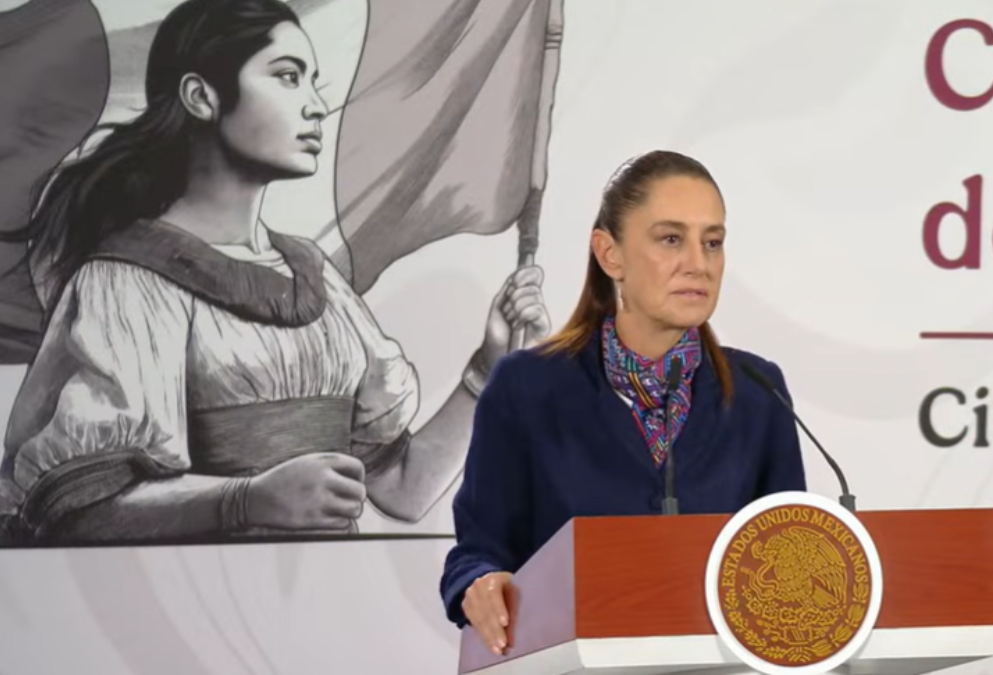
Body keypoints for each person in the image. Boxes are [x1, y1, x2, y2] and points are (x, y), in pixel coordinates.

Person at [0, 0, 550, 544]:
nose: (315, 105)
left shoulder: (319, 281)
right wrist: (246, 500)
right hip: (186, 614)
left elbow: (403, 491)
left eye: (314, 81)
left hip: (322, 607)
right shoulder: (127, 281)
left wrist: (487, 370)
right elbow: (80, 512)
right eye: (288, 77)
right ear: (201, 97)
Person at [439, 150, 807, 655]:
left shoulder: (758, 390)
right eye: (671, 239)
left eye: (713, 242)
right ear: (610, 254)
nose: (699, 264)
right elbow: (477, 551)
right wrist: (480, 583)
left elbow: (790, 559)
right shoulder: (525, 387)